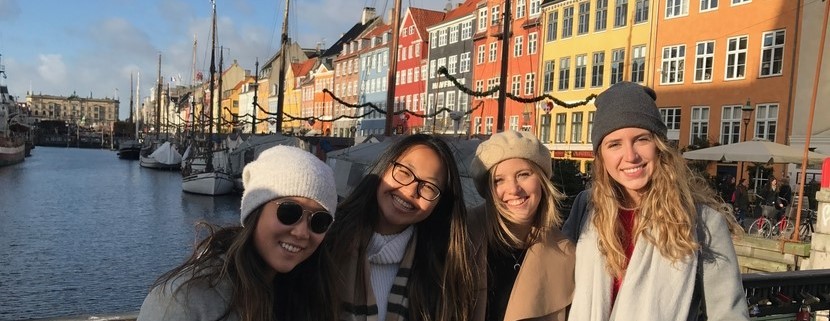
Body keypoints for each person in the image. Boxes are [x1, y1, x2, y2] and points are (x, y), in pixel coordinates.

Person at [562, 82, 749, 320]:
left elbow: (728, 314)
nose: (630, 156)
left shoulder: (701, 222)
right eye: (615, 144)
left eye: (641, 139)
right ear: (601, 156)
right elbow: (557, 281)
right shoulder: (587, 208)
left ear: (659, 146)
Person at [137, 145, 339, 321]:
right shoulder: (184, 302)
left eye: (320, 221)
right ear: (255, 211)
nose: (302, 232)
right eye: (289, 212)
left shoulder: (314, 293)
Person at [324, 134, 477, 321]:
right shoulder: (325, 241)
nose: (410, 191)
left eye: (429, 187)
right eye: (404, 172)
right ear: (385, 167)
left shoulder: (442, 275)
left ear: (440, 203)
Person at [469, 130, 575, 321]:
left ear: (542, 181)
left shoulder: (565, 253)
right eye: (498, 180)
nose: (514, 189)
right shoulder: (461, 235)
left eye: (523, 175)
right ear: (487, 189)